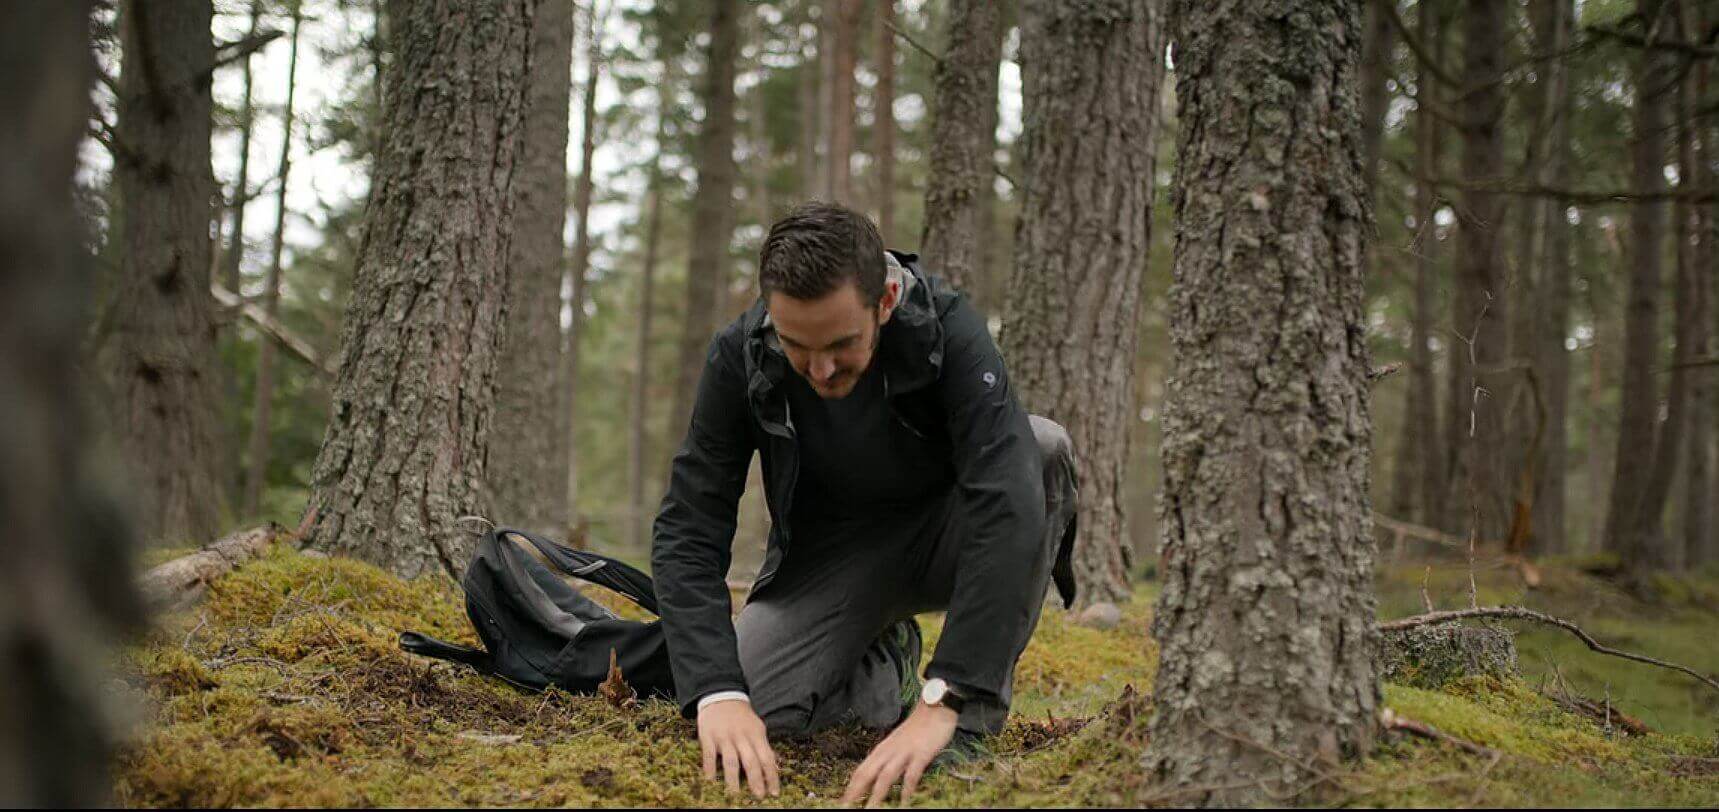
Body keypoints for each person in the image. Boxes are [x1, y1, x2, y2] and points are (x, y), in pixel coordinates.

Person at [650, 201, 1078, 806]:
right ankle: (886, 657)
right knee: (759, 710)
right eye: (798, 345)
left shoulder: (947, 327)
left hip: (949, 537)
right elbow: (688, 529)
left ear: (883, 304)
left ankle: (971, 717)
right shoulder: (739, 355)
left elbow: (1005, 499)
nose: (820, 369)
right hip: (830, 563)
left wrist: (946, 696)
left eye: (842, 344)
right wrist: (718, 692)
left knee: (1041, 447)